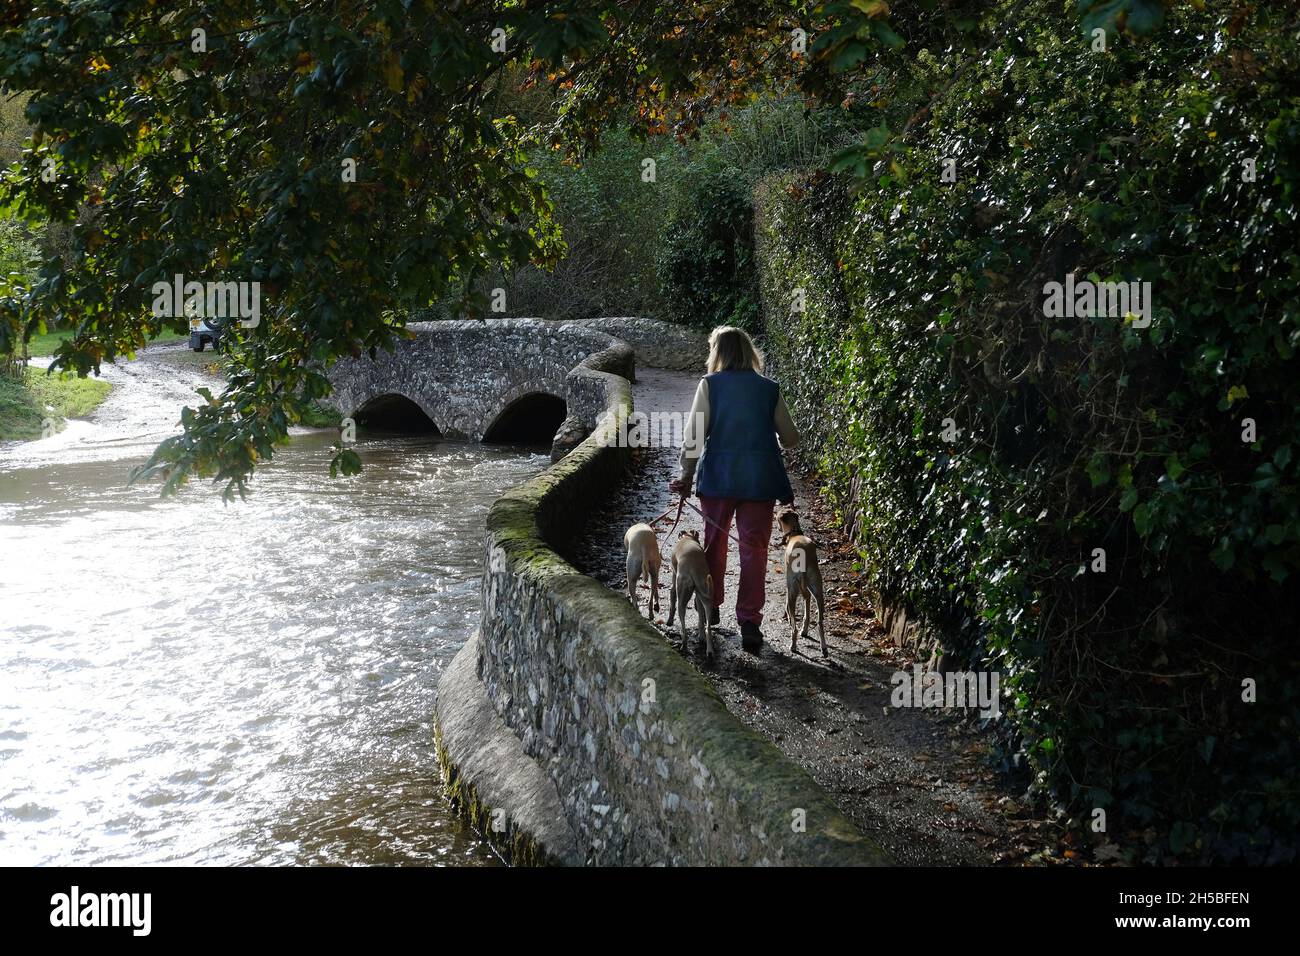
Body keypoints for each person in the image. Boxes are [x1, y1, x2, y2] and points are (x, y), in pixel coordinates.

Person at [669, 326, 800, 652]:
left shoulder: (710, 385)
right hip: (759, 480)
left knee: (714, 543)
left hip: (719, 478)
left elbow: (695, 437)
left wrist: (685, 475)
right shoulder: (769, 389)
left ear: (718, 352)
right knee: (753, 550)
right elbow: (792, 437)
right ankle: (750, 621)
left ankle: (710, 605)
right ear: (748, 351)